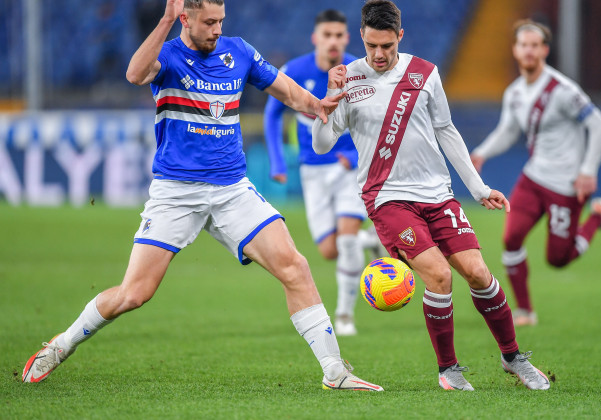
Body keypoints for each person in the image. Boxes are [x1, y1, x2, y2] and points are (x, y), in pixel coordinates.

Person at [22, 0, 382, 392]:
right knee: (134, 294)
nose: (216, 29)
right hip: (176, 192)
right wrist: (162, 22)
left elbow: (288, 92)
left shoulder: (238, 51)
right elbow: (134, 73)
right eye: (209, 22)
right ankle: (60, 345)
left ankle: (334, 371)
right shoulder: (169, 57)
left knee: (294, 266)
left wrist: (320, 105)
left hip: (232, 190)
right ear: (184, 19)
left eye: (220, 21)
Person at [312, 0, 550, 391]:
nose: (379, 54)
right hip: (386, 197)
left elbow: (447, 131)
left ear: (400, 37)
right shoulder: (348, 79)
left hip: (438, 195)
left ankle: (512, 357)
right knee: (439, 276)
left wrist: (478, 187)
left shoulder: (425, 73)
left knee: (478, 273)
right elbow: (322, 144)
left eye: (387, 45)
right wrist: (330, 94)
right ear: (362, 38)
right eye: (372, 45)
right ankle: (449, 369)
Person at [470, 19, 601, 327]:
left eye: (535, 45)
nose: (529, 51)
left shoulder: (562, 90)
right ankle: (525, 311)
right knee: (511, 237)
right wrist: (481, 152)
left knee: (558, 259)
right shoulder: (514, 92)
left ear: (545, 50)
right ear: (515, 49)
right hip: (533, 178)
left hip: (566, 185)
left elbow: (600, 125)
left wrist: (588, 171)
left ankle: (598, 217)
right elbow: (508, 131)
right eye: (524, 45)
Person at [263, 9, 385, 337]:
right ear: (316, 38)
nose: (333, 41)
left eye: (339, 36)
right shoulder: (294, 71)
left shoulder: (360, 72)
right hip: (312, 171)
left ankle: (344, 316)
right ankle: (369, 239)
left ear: (348, 38)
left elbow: (373, 122)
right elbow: (272, 114)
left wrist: (352, 153)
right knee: (328, 250)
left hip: (349, 168)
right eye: (327, 35)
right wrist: (276, 161)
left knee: (343, 241)